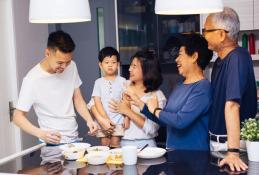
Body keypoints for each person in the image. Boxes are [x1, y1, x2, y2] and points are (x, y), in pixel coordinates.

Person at [124, 33, 213, 150]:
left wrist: (155, 110)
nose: (176, 59)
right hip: (173, 152)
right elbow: (164, 119)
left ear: (194, 57)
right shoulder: (179, 86)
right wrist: (140, 103)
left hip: (193, 155)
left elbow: (180, 121)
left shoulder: (202, 88)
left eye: (180, 54)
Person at [13, 30, 98, 145]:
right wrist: (41, 133)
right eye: (60, 63)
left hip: (74, 139)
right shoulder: (32, 79)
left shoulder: (72, 66)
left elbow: (77, 99)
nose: (64, 66)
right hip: (50, 144)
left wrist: (89, 119)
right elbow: (17, 117)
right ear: (47, 53)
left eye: (67, 62)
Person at [203, 7, 257, 171]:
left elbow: (232, 105)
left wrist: (232, 152)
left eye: (206, 30)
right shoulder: (220, 61)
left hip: (230, 147)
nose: (204, 34)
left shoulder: (237, 58)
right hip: (218, 145)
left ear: (221, 34)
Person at [109, 50, 166, 148]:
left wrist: (128, 112)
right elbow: (99, 101)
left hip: (147, 146)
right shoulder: (123, 86)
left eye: (134, 66)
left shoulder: (157, 95)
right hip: (122, 145)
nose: (130, 69)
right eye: (130, 65)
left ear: (146, 70)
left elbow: (152, 129)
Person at [91, 46, 129, 148]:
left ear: (118, 64)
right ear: (100, 65)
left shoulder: (123, 81)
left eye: (113, 62)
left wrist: (126, 117)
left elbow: (126, 100)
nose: (110, 65)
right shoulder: (98, 82)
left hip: (118, 120)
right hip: (103, 120)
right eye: (106, 62)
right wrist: (105, 119)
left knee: (115, 144)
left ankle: (115, 164)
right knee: (104, 144)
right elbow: (97, 101)